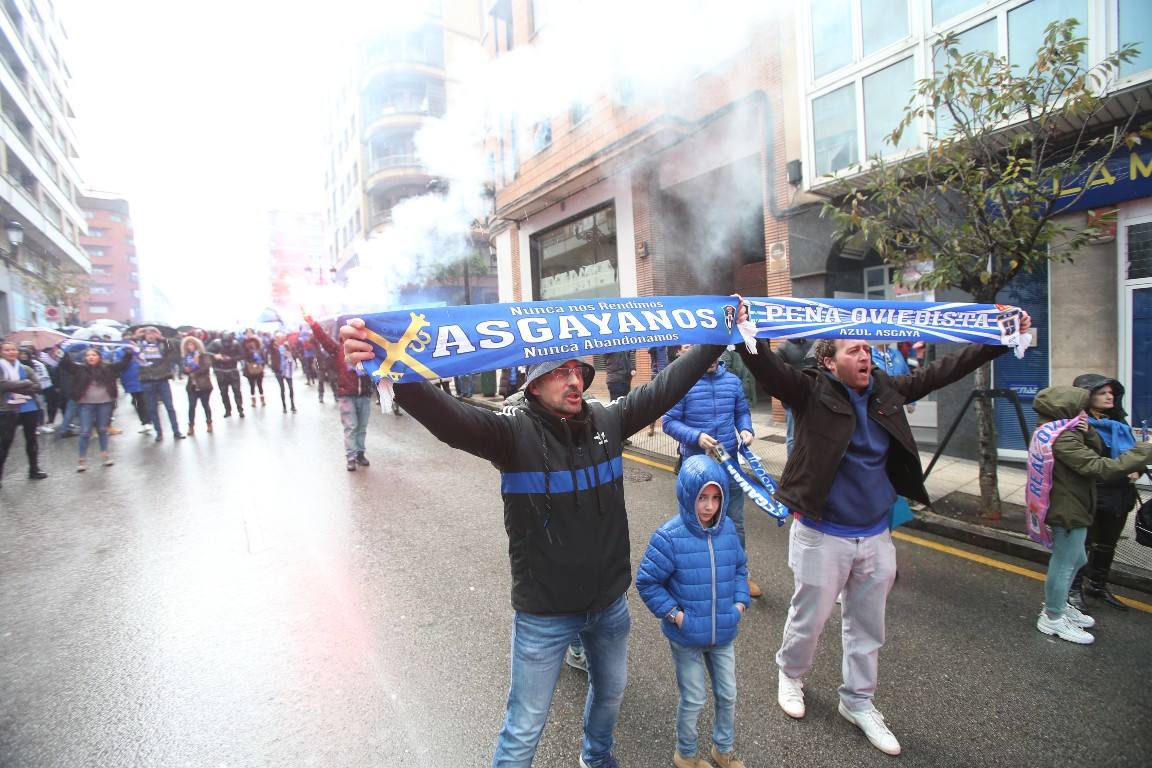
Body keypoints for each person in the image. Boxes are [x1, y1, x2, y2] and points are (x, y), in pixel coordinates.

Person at [341, 316, 725, 768]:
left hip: (609, 605)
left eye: (578, 371)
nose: (574, 379)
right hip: (544, 613)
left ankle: (597, 757)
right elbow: (447, 418)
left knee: (610, 696)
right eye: (560, 372)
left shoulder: (609, 419)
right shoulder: (510, 432)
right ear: (535, 384)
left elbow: (666, 387)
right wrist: (390, 365)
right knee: (524, 727)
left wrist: (716, 338)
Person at [736, 311, 1031, 757]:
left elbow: (944, 370)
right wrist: (744, 335)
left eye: (868, 350)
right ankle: (791, 675)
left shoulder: (886, 391)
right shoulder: (809, 390)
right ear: (829, 362)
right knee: (809, 618)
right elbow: (768, 369)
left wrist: (998, 340)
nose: (865, 356)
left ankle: (857, 701)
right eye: (854, 350)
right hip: (822, 534)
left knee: (867, 626)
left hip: (876, 536)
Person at [636, 454, 749, 768]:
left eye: (716, 497)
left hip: (724, 631)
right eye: (702, 497)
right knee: (695, 697)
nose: (710, 506)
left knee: (728, 694)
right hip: (686, 636)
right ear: (688, 495)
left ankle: (722, 750)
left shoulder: (727, 530)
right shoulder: (668, 537)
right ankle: (686, 755)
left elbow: (741, 567)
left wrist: (739, 604)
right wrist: (676, 615)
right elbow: (647, 582)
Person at [1030, 385, 1152, 643]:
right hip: (1067, 508)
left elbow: (1095, 451)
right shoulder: (1061, 437)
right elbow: (1099, 466)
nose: (1084, 411)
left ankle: (1060, 606)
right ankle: (1052, 616)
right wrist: (1146, 449)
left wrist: (1089, 431)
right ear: (1066, 408)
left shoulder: (1065, 429)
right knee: (1064, 564)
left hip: (1075, 503)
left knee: (1076, 558)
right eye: (1080, 406)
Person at [662, 344, 761, 599]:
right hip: (696, 467)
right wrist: (697, 436)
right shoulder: (681, 382)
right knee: (696, 523)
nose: (710, 357)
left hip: (730, 465)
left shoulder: (733, 381)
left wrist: (747, 429)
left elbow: (741, 412)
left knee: (735, 522)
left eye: (713, 351)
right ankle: (697, 577)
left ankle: (740, 576)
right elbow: (669, 422)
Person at [1066, 374, 1145, 612]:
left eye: (1111, 393)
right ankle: (1073, 589)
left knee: (1107, 545)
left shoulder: (1119, 424)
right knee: (1084, 544)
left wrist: (1137, 469)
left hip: (1119, 495)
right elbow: (1086, 461)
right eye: (1102, 393)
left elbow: (1132, 456)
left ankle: (1098, 585)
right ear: (1087, 396)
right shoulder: (1077, 424)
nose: (1109, 396)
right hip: (1091, 493)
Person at [308, 315, 373, 471]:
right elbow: (323, 338)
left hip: (364, 394)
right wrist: (312, 322)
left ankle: (360, 454)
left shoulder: (366, 349)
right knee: (351, 427)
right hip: (346, 395)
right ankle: (351, 457)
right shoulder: (338, 349)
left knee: (362, 427)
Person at [59, 343, 134, 470]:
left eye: (93, 355)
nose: (90, 357)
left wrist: (129, 352)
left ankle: (105, 455)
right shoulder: (80, 369)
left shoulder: (108, 368)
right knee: (85, 431)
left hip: (104, 404)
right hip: (86, 405)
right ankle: (81, 459)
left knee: (102, 429)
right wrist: (64, 352)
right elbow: (66, 364)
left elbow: (123, 364)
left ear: (99, 357)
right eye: (88, 355)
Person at [0, 340, 47, 485]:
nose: (11, 352)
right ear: (2, 352)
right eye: (7, 350)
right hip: (7, 408)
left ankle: (34, 469)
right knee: (5, 442)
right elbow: (2, 386)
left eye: (13, 349)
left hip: (29, 407)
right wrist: (25, 383)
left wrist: (14, 387)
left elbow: (38, 386)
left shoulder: (26, 369)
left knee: (31, 440)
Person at [138, 327, 185, 442]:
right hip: (147, 380)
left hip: (162, 379)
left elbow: (173, 347)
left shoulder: (163, 345)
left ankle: (176, 431)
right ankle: (159, 432)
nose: (150, 335)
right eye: (148, 333)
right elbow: (129, 350)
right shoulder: (140, 346)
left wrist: (163, 339)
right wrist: (136, 337)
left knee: (170, 407)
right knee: (152, 408)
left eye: (153, 333)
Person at [775, 338, 812, 456]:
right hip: (793, 401)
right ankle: (792, 468)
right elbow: (777, 374)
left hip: (814, 398)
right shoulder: (783, 348)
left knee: (814, 434)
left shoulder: (813, 342)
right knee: (793, 437)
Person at [208, 332, 246, 418]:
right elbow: (207, 352)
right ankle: (227, 410)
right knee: (223, 392)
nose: (227, 344)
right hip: (221, 371)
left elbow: (242, 355)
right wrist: (215, 355)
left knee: (237, 391)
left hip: (232, 370)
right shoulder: (215, 343)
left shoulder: (236, 344)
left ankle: (240, 409)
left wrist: (232, 359)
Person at [181, 336, 214, 435]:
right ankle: (191, 426)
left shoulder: (203, 355)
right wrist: (186, 370)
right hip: (192, 385)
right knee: (191, 406)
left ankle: (209, 423)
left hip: (204, 384)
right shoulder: (186, 357)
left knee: (205, 405)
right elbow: (183, 369)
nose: (189, 346)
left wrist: (193, 370)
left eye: (191, 344)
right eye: (187, 345)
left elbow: (206, 367)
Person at [269, 332, 297, 413]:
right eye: (278, 338)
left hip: (287, 370)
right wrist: (274, 339)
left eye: (281, 338)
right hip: (279, 371)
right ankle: (284, 406)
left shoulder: (286, 346)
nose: (280, 339)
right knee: (282, 389)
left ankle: (292, 405)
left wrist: (289, 355)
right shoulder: (274, 348)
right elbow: (269, 346)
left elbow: (292, 355)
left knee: (291, 388)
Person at [242, 337, 267, 408]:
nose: (252, 344)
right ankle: (253, 401)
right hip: (250, 370)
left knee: (260, 385)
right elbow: (245, 358)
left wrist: (261, 365)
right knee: (252, 386)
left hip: (259, 369)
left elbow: (264, 359)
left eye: (253, 342)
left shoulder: (260, 350)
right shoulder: (246, 351)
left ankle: (262, 400)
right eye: (250, 343)